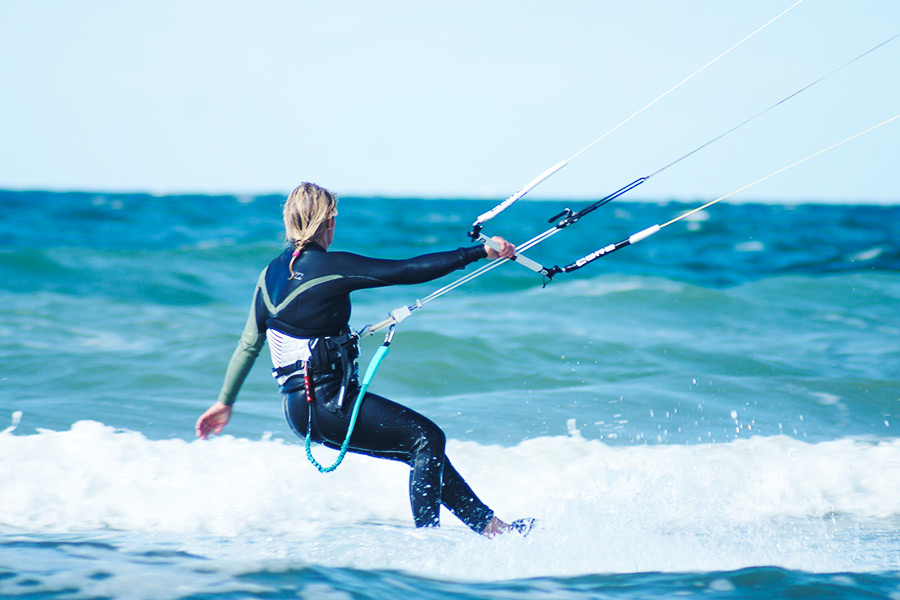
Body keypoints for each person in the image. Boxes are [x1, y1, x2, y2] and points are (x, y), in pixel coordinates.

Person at [195, 183, 532, 537]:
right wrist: (478, 252)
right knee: (426, 439)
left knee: (419, 450)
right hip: (328, 403)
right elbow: (406, 270)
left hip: (298, 409)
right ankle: (429, 545)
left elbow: (249, 343)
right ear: (329, 221)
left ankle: (493, 528)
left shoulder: (268, 275)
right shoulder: (330, 266)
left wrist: (224, 402)